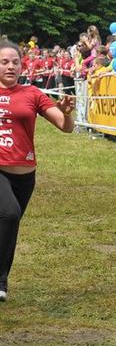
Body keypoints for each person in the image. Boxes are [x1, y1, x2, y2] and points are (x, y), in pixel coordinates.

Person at [0, 41, 76, 301]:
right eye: (4, 62)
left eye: (15, 62)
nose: (10, 66)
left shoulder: (32, 93)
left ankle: (2, 279)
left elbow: (65, 126)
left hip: (24, 176)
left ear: (22, 66)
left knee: (9, 225)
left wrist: (67, 113)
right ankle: (0, 281)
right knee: (9, 214)